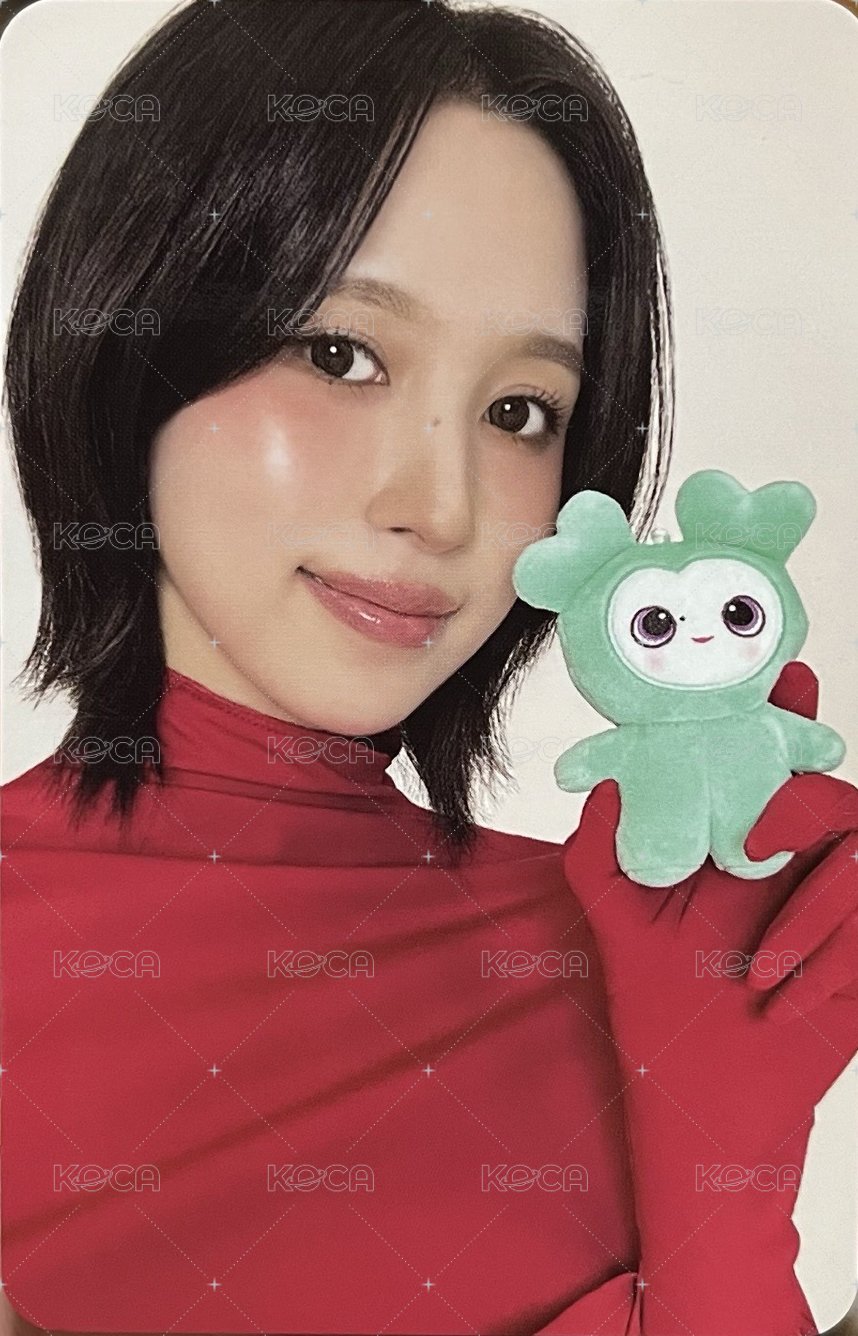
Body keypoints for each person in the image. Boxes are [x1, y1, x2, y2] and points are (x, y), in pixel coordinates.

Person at [2, 2, 856, 1333]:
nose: (443, 508)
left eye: (521, 411)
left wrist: (721, 1175)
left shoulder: (624, 950)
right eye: (338, 353)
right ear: (127, 343)